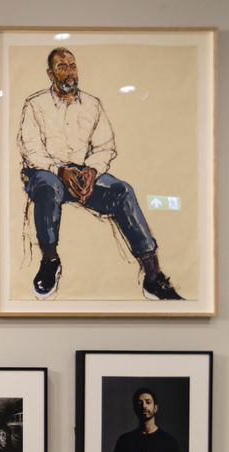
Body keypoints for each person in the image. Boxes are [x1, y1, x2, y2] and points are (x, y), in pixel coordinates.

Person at [18, 48, 182, 300]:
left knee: (122, 191)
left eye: (72, 66)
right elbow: (30, 149)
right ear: (50, 73)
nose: (69, 72)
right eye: (62, 67)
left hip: (84, 174)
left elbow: (105, 146)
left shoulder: (93, 104)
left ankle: (152, 273)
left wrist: (93, 170)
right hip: (46, 173)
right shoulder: (34, 104)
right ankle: (50, 261)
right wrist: (59, 171)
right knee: (48, 187)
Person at [105, 387, 186, 452]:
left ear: (155, 408)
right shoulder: (125, 439)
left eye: (148, 402)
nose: (144, 406)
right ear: (135, 408)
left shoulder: (168, 440)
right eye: (140, 403)